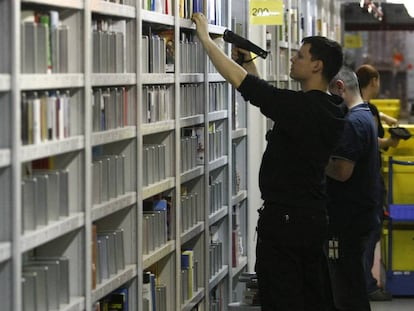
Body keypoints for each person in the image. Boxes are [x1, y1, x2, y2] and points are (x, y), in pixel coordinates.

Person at [191, 12, 346, 311]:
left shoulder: (303, 108)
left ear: (317, 65)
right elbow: (271, 101)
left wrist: (206, 41)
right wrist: (248, 62)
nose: (293, 60)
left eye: (300, 56)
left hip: (286, 223)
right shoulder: (325, 108)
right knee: (308, 296)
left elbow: (244, 85)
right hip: (309, 218)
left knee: (282, 297)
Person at [326, 67, 381, 311]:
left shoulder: (353, 123)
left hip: (350, 217)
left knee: (349, 289)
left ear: (340, 87)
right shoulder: (366, 115)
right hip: (361, 213)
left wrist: (315, 158)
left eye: (331, 94)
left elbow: (342, 172)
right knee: (352, 284)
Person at [356, 64, 400, 301]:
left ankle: (362, 282)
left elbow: (373, 114)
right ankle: (368, 285)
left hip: (363, 178)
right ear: (373, 81)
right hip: (370, 179)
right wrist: (391, 141)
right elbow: (374, 140)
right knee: (372, 231)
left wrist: (385, 117)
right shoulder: (365, 109)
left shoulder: (360, 106)